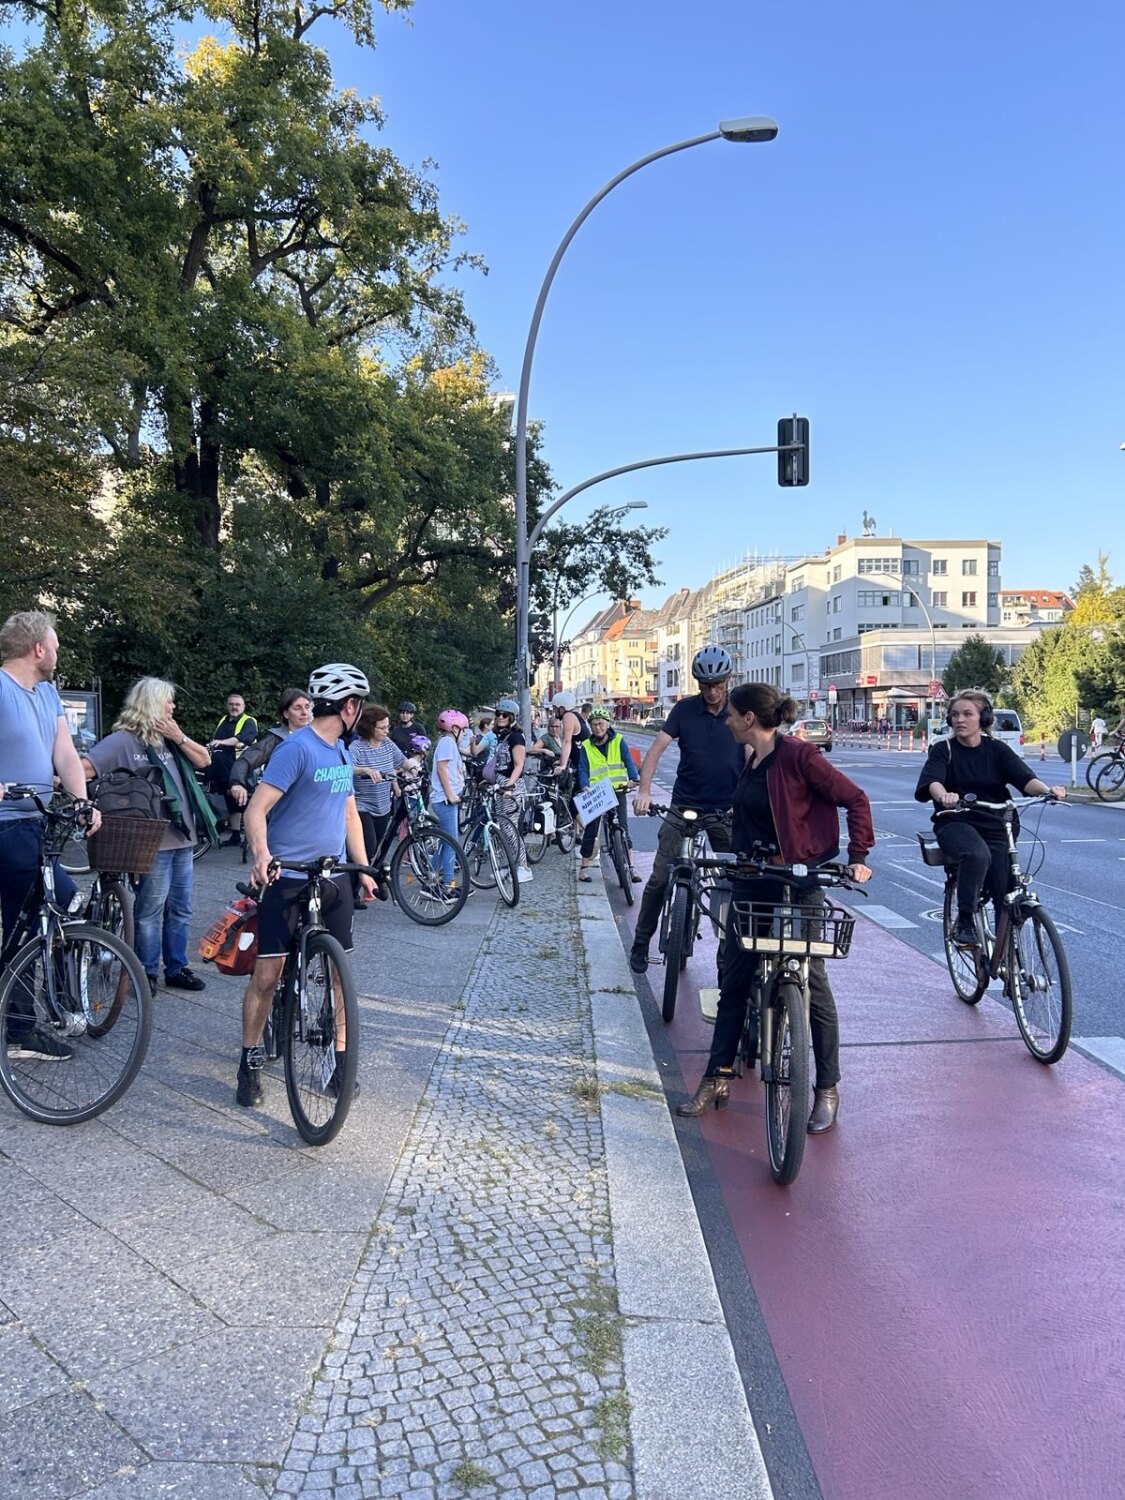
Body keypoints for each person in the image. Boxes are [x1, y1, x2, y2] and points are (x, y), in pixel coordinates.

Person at [678, 683, 874, 1133]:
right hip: (752, 879)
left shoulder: (799, 756)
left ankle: (826, 1088)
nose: (725, 720)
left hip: (799, 878)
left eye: (731, 714)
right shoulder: (750, 759)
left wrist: (858, 858)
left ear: (749, 719)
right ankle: (717, 1076)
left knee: (814, 982)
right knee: (736, 976)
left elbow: (855, 799)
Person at [237, 663, 375, 1108]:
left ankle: (338, 1063)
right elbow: (255, 810)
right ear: (349, 706)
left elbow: (349, 814)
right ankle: (250, 1059)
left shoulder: (342, 752)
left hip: (333, 877)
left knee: (339, 975)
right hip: (288, 876)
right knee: (267, 975)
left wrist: (365, 868)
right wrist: (262, 854)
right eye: (360, 706)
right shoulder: (296, 749)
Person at [0, 611, 102, 1060]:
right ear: (37, 648)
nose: (58, 653)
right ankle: (34, 1020)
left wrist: (82, 803)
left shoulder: (46, 694)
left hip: (36, 821)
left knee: (24, 923)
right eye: (55, 645)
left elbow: (64, 752)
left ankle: (24, 1022)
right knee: (61, 899)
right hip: (5, 823)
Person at [82, 677, 214, 996]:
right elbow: (85, 768)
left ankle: (176, 967)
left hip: (183, 837)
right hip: (151, 840)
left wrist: (178, 735)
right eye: (168, 701)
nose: (173, 706)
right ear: (152, 704)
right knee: (149, 910)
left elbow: (205, 760)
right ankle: (145, 971)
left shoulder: (168, 739)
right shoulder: (124, 741)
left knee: (181, 907)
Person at [914, 691, 1066, 948]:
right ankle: (965, 921)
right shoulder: (944, 750)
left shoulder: (997, 750)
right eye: (955, 715)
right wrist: (945, 796)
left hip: (996, 822)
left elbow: (1025, 780)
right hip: (955, 821)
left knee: (1004, 887)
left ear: (983, 718)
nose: (959, 720)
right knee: (976, 854)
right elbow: (933, 782)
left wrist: (1049, 791)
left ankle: (1008, 955)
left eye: (967, 714)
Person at [629, 645, 742, 975]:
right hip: (685, 805)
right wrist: (645, 791)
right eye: (705, 684)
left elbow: (754, 755)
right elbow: (655, 750)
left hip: (726, 809)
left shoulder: (739, 710)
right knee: (661, 876)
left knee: (734, 882)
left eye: (717, 684)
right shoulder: (684, 710)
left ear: (727, 679)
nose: (711, 691)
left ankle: (730, 955)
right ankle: (640, 943)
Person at [576, 707, 640, 882]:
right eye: (594, 724)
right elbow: (582, 768)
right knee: (591, 829)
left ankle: (632, 868)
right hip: (597, 793)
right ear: (590, 726)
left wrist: (634, 778)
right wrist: (584, 785)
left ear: (608, 724)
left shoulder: (618, 740)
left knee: (624, 828)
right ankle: (584, 868)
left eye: (601, 724)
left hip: (618, 789)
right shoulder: (587, 746)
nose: (598, 727)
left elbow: (628, 760)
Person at [349, 704, 406, 888]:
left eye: (387, 727)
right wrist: (364, 769)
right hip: (361, 805)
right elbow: (347, 768)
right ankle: (349, 888)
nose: (386, 731)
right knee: (368, 846)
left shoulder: (387, 744)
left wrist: (413, 767)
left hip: (383, 806)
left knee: (371, 853)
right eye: (382, 728)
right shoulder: (357, 747)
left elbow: (402, 761)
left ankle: (356, 888)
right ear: (369, 727)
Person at [228, 688, 312, 808]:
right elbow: (245, 760)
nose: (304, 712)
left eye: (307, 707)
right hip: (284, 807)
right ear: (286, 713)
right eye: (297, 708)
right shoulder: (275, 740)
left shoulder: (319, 737)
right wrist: (237, 783)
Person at [491, 697, 533, 883]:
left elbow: (518, 765)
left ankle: (524, 867)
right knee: (502, 827)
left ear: (512, 717)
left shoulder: (516, 737)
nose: (500, 717)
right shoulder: (503, 736)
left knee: (510, 828)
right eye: (498, 714)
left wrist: (509, 786)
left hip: (511, 786)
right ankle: (510, 865)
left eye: (504, 715)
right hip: (501, 785)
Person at [207, 692, 258, 845]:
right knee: (230, 800)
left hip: (241, 768)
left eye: (237, 704)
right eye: (231, 704)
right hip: (222, 767)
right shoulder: (224, 720)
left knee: (244, 800)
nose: (234, 707)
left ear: (243, 706)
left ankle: (250, 835)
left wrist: (219, 742)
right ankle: (235, 835)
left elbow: (240, 739)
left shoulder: (249, 721)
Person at [429, 709, 469, 887]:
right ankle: (447, 885)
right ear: (454, 728)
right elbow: (441, 769)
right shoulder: (447, 742)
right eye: (464, 729)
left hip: (447, 799)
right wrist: (450, 794)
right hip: (445, 801)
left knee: (447, 842)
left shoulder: (450, 743)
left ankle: (430, 876)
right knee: (452, 844)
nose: (465, 733)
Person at [552, 690, 590, 787]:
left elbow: (567, 741)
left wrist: (562, 765)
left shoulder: (568, 716)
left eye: (555, 708)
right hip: (585, 761)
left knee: (576, 796)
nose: (554, 711)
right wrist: (561, 760)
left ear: (562, 708)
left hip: (582, 764)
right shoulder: (576, 716)